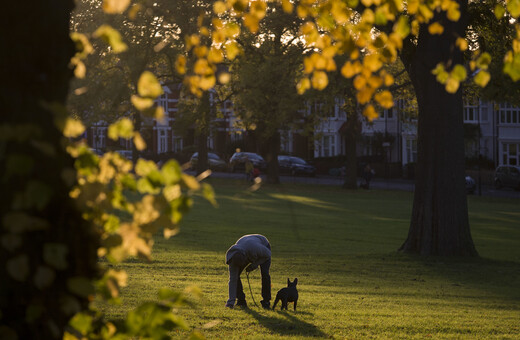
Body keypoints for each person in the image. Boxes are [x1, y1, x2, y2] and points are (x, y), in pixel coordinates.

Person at [225, 234, 271, 309]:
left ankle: (266, 301)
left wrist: (254, 265)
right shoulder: (232, 259)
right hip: (246, 247)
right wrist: (230, 303)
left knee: (265, 274)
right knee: (236, 277)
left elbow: (268, 254)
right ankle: (241, 301)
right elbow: (232, 280)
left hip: (262, 245)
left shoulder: (256, 249)